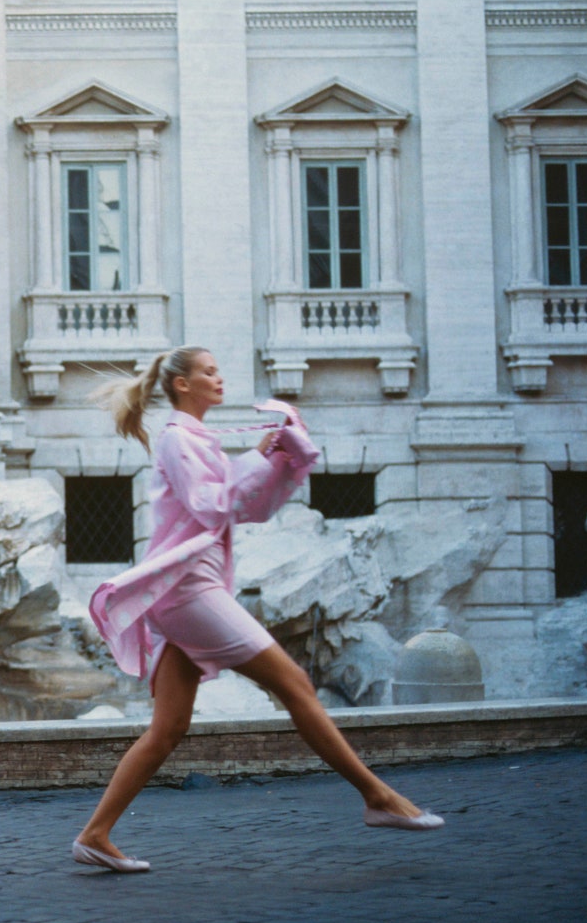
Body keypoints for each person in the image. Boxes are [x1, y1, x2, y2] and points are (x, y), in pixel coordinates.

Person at [74, 346, 442, 874]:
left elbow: (250, 507)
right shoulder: (178, 438)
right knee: (295, 685)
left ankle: (95, 834)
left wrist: (284, 457)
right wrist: (260, 458)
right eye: (209, 371)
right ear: (182, 385)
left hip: (192, 589)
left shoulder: (200, 439)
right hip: (189, 593)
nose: (219, 378)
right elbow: (210, 505)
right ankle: (377, 797)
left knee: (167, 729)